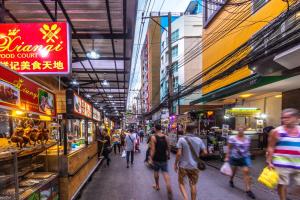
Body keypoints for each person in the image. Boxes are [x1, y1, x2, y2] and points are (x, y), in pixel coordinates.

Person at [267, 108, 300, 200]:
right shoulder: (277, 131)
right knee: (282, 184)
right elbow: (271, 147)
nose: (284, 120)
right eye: (283, 118)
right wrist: (269, 161)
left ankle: (292, 194)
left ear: (296, 118)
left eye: (287, 117)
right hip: (281, 162)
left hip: (298, 162)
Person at [174, 124, 207, 200]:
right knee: (193, 184)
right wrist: (198, 156)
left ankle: (185, 198)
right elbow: (205, 152)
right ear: (194, 130)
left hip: (183, 166)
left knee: (181, 183)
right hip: (195, 166)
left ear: (186, 130)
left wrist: (175, 164)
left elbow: (178, 154)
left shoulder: (181, 139)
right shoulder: (199, 140)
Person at [225, 126, 256, 199]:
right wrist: (227, 156)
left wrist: (251, 153)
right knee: (233, 172)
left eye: (242, 130)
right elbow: (229, 147)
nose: (241, 131)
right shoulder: (232, 138)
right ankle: (231, 180)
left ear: (244, 131)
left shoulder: (248, 138)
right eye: (239, 130)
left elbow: (249, 147)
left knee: (246, 171)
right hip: (235, 157)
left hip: (244, 157)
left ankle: (248, 190)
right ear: (237, 130)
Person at [149, 124, 173, 200]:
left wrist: (150, 158)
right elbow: (169, 147)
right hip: (164, 158)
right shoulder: (166, 137)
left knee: (156, 172)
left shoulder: (153, 137)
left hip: (156, 158)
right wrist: (168, 155)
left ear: (155, 129)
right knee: (165, 173)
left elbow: (153, 150)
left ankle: (157, 186)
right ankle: (169, 187)